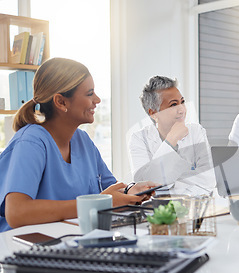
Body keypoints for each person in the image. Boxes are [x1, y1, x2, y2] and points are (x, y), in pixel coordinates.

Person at [0, 58, 156, 232]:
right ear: (61, 102)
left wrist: (130, 191)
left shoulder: (83, 141)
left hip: (69, 240)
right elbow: (16, 213)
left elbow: (111, 190)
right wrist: (98, 203)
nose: (97, 100)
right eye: (89, 94)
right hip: (23, 248)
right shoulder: (31, 142)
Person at [129, 76, 215, 195]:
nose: (182, 110)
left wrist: (172, 189)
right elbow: (145, 187)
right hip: (159, 211)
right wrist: (171, 140)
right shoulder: (139, 139)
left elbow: (209, 179)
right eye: (173, 105)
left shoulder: (196, 132)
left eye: (182, 102)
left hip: (195, 207)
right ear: (154, 113)